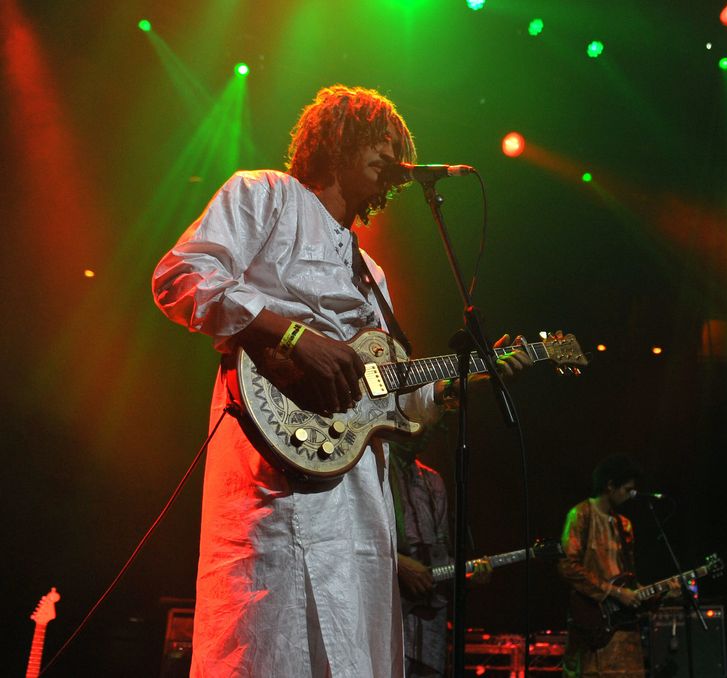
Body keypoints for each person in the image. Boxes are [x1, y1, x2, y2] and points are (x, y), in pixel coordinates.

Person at [152, 84, 529, 677]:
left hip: (357, 498)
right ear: (337, 140)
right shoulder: (263, 194)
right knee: (272, 644)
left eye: (399, 150)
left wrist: (466, 379)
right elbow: (181, 277)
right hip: (275, 476)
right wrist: (296, 337)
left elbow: (394, 396)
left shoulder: (371, 270)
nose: (394, 161)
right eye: (381, 143)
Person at [387, 425, 492, 677]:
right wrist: (398, 562)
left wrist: (465, 576)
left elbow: (441, 549)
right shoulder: (375, 472)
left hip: (430, 611)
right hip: (389, 602)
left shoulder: (432, 479)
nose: (427, 430)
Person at [558, 454, 646, 678]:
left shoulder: (624, 525)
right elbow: (568, 566)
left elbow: (629, 576)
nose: (630, 495)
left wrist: (654, 592)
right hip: (591, 625)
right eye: (627, 489)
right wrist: (614, 592)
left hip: (623, 629)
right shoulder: (580, 515)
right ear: (610, 486)